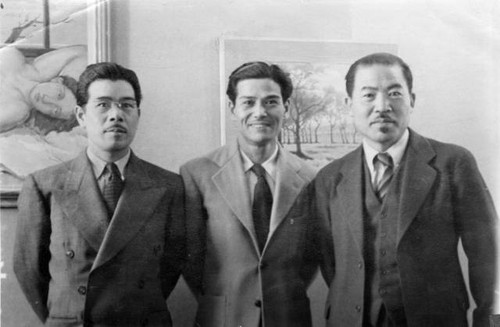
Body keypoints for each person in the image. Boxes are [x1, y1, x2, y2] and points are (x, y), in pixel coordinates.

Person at [313, 52, 498, 327]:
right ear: (348, 104)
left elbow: (487, 251)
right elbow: (331, 264)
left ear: (411, 100)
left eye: (394, 93)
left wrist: (487, 317)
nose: (382, 106)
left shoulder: (453, 163)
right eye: (368, 95)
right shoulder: (329, 178)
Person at [13, 62, 185, 326]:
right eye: (103, 105)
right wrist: (66, 314)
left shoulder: (169, 186)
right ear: (81, 116)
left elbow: (170, 269)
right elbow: (29, 271)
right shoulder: (44, 185)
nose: (116, 115)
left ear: (138, 114)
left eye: (126, 105)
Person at [180, 61, 318, 327]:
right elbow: (190, 260)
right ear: (233, 109)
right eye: (248, 102)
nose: (260, 112)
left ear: (285, 108)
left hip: (288, 317)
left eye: (270, 102)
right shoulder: (197, 174)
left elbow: (310, 260)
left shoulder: (310, 178)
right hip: (222, 318)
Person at [0, 45, 85, 133]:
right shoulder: (17, 60)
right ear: (58, 81)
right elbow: (82, 51)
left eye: (55, 111)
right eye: (59, 95)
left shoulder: (17, 110)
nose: (46, 100)